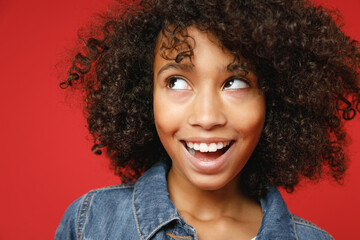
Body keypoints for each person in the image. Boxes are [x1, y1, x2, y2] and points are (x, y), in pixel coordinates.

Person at [55, 0, 360, 239]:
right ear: (143, 95)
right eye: (176, 82)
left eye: (236, 83)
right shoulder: (90, 223)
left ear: (277, 100)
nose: (207, 117)